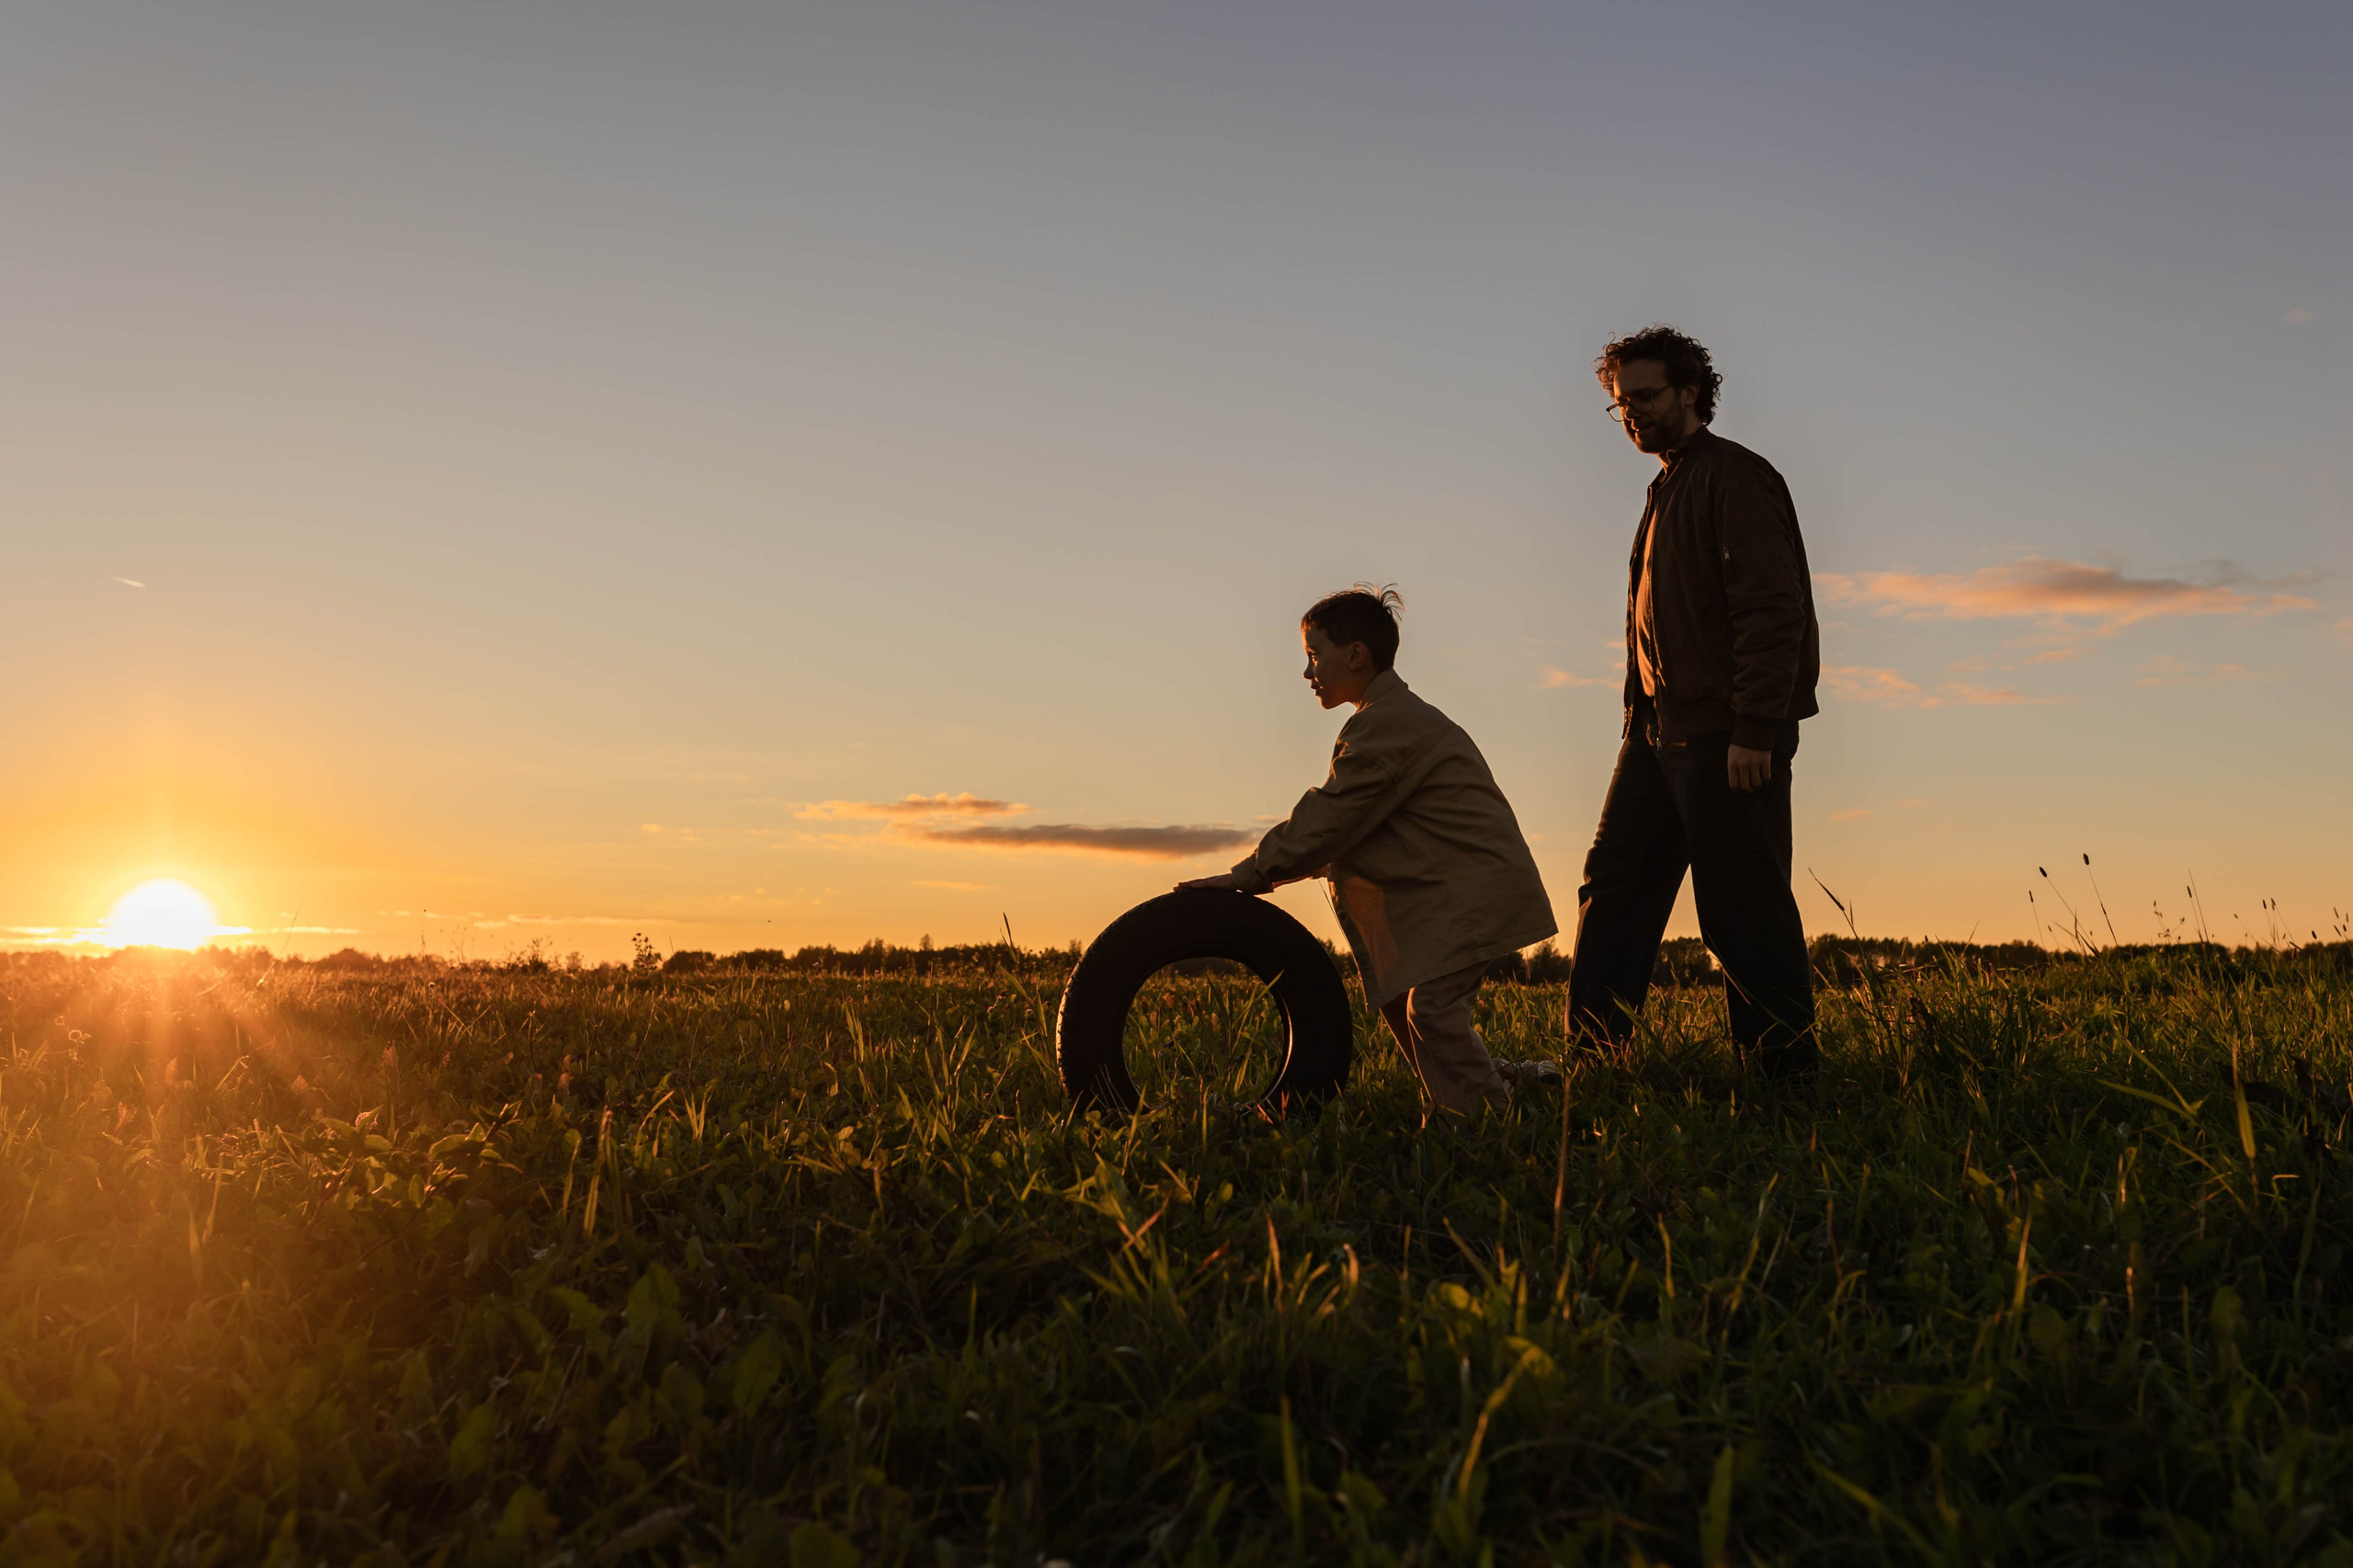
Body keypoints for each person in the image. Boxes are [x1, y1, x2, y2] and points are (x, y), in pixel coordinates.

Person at [1178, 586, 1558, 1120]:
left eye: (1315, 656)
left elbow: (1332, 816)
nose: (1308, 673)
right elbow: (1347, 828)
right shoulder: (1388, 718)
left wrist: (1253, 872)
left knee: (1430, 1009)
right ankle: (1495, 1088)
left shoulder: (1387, 723)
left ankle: (1487, 1120)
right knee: (1406, 1006)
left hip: (1470, 894)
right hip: (1455, 891)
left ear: (1355, 655)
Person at [1567, 324, 1822, 1079]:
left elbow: (1772, 609)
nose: (1634, 415)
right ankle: (1592, 1061)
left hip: (1726, 736)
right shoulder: (1666, 484)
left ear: (1689, 391)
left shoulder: (1733, 476)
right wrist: (1635, 718)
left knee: (1743, 907)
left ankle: (1783, 1076)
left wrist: (1755, 728)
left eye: (1646, 397)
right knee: (1613, 890)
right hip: (1654, 732)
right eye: (1621, 405)